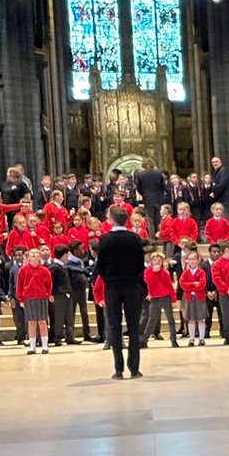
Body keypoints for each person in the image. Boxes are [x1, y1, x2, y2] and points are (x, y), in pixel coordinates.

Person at [94, 205, 146, 380]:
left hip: (112, 286)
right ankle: (135, 368)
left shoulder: (105, 239)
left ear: (111, 220)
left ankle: (118, 369)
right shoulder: (135, 238)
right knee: (133, 326)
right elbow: (140, 264)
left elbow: (100, 265)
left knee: (114, 326)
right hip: (131, 285)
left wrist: (109, 278)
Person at [15, 247, 52, 355]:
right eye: (32, 254)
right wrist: (20, 298)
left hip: (41, 298)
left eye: (36, 253)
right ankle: (32, 346)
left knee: (42, 321)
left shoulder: (45, 270)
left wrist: (46, 295)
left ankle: (45, 346)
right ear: (28, 257)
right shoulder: (23, 270)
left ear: (39, 257)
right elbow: (19, 285)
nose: (34, 255)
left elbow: (49, 284)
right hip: (28, 298)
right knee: (31, 322)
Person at [141, 250, 179, 349]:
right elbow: (149, 283)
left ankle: (173, 340)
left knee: (170, 319)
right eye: (155, 260)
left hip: (165, 297)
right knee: (152, 320)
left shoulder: (165, 272)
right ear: (152, 261)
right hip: (155, 298)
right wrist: (154, 273)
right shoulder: (147, 272)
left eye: (159, 260)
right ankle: (144, 340)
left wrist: (173, 299)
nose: (157, 262)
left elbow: (169, 286)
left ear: (162, 262)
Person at [179, 249, 208, 346]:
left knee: (200, 318)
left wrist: (191, 286)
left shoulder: (201, 272)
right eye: (190, 259)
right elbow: (182, 284)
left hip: (199, 297)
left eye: (194, 259)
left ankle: (201, 338)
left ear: (198, 260)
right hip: (188, 297)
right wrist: (193, 284)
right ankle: (191, 338)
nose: (192, 261)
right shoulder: (185, 272)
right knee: (190, 318)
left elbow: (201, 284)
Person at [134, 157, 168, 234]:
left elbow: (138, 188)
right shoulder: (159, 173)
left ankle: (152, 237)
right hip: (159, 198)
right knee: (158, 218)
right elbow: (164, 186)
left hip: (147, 198)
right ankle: (159, 235)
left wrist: (144, 194)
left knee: (150, 219)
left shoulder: (141, 174)